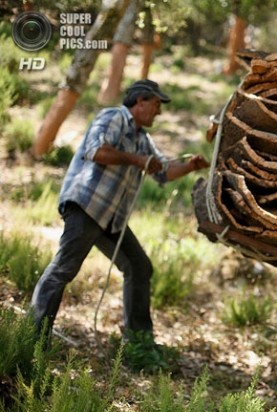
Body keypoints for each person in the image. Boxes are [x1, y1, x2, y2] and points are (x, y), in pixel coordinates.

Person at [31, 79, 210, 350]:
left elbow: (162, 171)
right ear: (140, 102)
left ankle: (139, 342)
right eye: (156, 105)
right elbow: (96, 151)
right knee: (63, 270)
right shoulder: (113, 117)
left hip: (110, 218)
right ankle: (33, 339)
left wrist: (189, 167)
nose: (159, 113)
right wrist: (137, 160)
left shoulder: (143, 138)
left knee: (139, 267)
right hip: (87, 207)